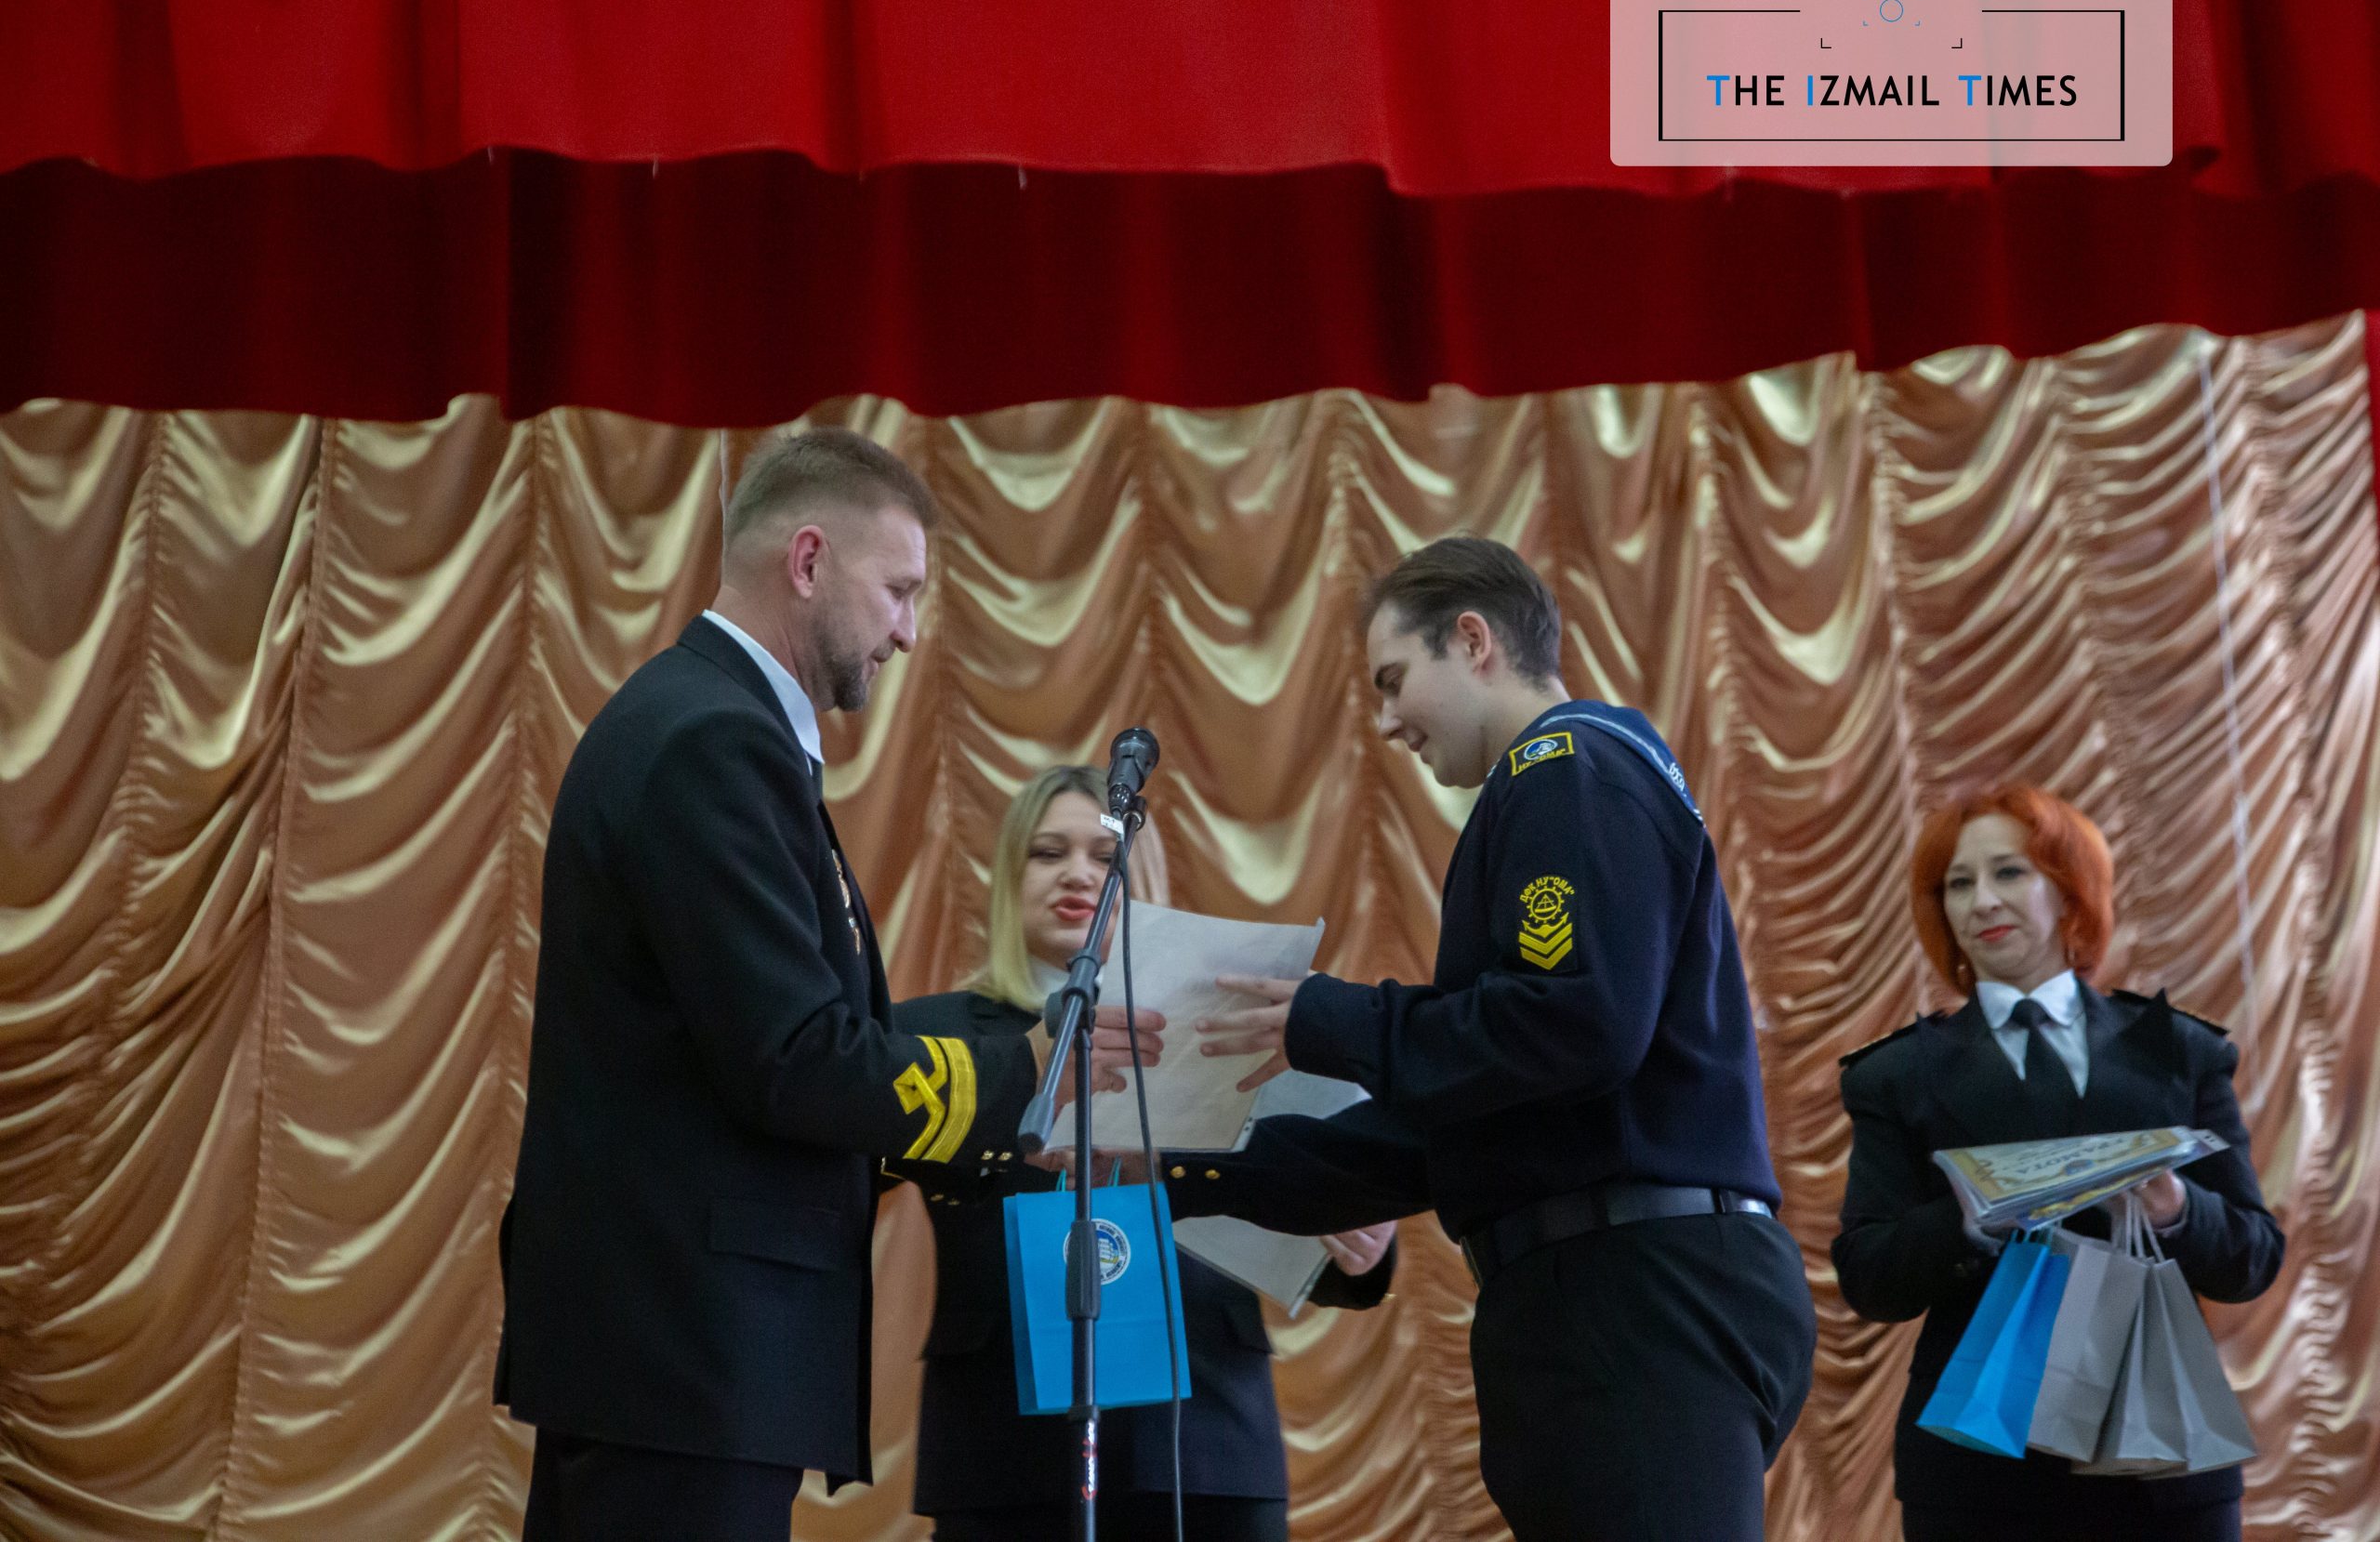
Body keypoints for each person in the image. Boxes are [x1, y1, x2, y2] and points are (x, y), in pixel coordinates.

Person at [494, 430, 1159, 1542]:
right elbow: (793, 1056)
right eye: (899, 590)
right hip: (686, 1351)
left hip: (667, 1351)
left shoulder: (705, 721)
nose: (908, 630)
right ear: (807, 561)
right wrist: (1027, 1074)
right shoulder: (714, 740)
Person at [1161, 536, 1817, 1542]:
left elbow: (1576, 1023)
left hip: (1636, 1293)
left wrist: (1330, 1020)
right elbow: (1455, 1126)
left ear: (1473, 641)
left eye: (1393, 680)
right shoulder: (1556, 786)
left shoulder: (1568, 770)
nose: (1386, 721)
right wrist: (1173, 1167)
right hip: (1605, 1295)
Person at [893, 765, 1399, 1542]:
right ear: (1007, 879)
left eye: (1105, 857)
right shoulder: (931, 1034)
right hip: (1002, 1444)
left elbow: (1298, 1196)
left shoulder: (1226, 1023)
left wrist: (1361, 1244)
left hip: (1206, 1439)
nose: (1077, 874)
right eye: (1047, 852)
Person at [1833, 784, 2283, 1542]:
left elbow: (2254, 1258)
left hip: (2161, 1459)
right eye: (1958, 883)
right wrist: (1963, 1224)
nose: (1982, 900)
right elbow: (1868, 1276)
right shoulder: (1898, 1075)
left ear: (2069, 890)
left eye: (2009, 871)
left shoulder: (2179, 1050)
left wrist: (2177, 1210)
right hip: (1980, 1473)